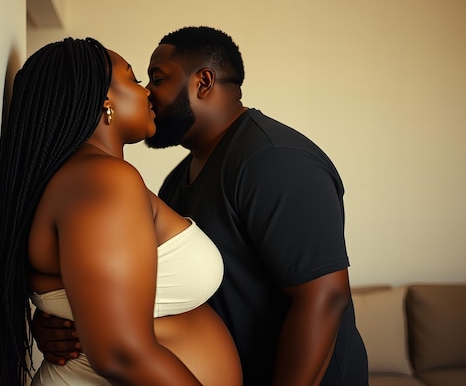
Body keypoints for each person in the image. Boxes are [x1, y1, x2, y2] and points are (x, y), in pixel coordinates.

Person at [34, 27, 369, 385]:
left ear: (203, 82)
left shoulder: (274, 161)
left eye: (156, 79)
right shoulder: (177, 178)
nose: (147, 92)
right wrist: (61, 319)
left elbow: (325, 297)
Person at [0, 37, 242, 386]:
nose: (148, 93)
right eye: (135, 80)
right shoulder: (104, 180)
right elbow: (120, 354)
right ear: (105, 100)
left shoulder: (86, 179)